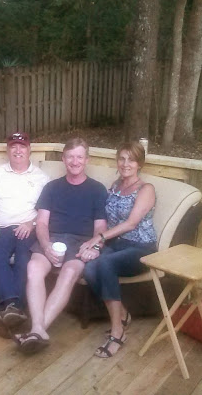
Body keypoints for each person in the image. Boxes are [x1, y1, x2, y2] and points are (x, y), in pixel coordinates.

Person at [15, 138, 108, 354]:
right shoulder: (52, 188)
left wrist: (94, 247)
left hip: (81, 242)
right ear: (64, 159)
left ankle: (36, 330)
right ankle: (38, 330)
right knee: (33, 268)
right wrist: (46, 245)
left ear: (87, 160)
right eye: (70, 157)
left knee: (69, 272)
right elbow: (42, 223)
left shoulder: (97, 190)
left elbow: (100, 227)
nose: (75, 161)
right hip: (53, 239)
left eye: (79, 157)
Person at [80, 141, 157, 358]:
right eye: (122, 159)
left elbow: (131, 223)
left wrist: (99, 238)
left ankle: (117, 332)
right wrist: (96, 244)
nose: (125, 164)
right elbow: (107, 221)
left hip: (141, 248)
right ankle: (123, 314)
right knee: (89, 266)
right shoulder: (115, 186)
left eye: (131, 160)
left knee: (105, 263)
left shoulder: (146, 189)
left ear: (139, 163)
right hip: (115, 245)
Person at [0, 132, 49, 337]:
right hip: (1, 228)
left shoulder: (41, 178)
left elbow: (48, 211)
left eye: (22, 146)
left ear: (29, 149)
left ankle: (8, 309)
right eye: (13, 146)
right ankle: (14, 309)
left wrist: (31, 223)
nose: (17, 150)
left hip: (28, 228)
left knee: (24, 257)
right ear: (8, 150)